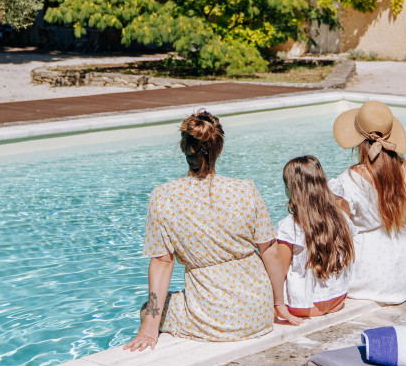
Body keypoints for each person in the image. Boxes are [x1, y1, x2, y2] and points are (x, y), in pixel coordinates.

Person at [126, 110, 283, 351]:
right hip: (258, 313)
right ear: (219, 149)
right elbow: (270, 251)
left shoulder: (163, 197)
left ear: (183, 147)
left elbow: (162, 262)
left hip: (212, 317)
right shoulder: (245, 189)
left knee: (146, 309)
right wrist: (278, 303)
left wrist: (149, 327)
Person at [329, 101, 406, 305]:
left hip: (368, 275)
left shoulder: (348, 181)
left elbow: (341, 231)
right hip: (402, 272)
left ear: (359, 141)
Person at [271, 155, 354, 322]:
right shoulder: (340, 218)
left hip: (304, 305)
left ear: (291, 188)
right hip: (337, 298)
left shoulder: (289, 226)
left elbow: (280, 272)